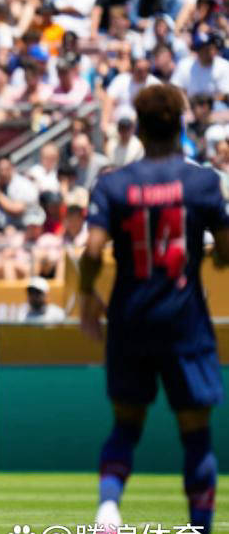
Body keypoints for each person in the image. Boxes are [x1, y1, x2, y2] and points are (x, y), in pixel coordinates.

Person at [79, 83, 229, 531]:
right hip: (186, 322)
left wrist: (87, 300)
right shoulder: (202, 182)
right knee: (195, 434)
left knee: (126, 425)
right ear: (180, 127)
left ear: (139, 131)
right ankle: (199, 526)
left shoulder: (113, 184)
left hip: (130, 320)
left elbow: (92, 251)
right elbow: (226, 250)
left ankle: (108, 509)